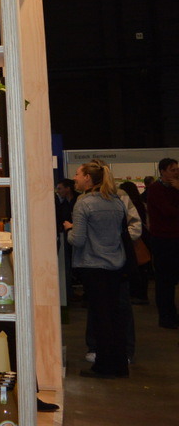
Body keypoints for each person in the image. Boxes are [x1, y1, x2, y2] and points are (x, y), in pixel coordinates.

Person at [64, 159, 132, 378]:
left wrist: (69, 229)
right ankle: (120, 365)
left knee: (100, 319)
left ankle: (103, 366)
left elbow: (78, 240)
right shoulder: (116, 202)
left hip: (93, 267)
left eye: (78, 174)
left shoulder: (83, 203)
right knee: (115, 317)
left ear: (87, 178)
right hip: (116, 266)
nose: (74, 178)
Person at [146, 158, 179, 329]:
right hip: (163, 240)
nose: (176, 172)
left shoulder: (175, 188)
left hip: (175, 238)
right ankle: (166, 317)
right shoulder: (155, 189)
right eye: (173, 170)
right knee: (164, 280)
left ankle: (172, 315)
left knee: (171, 280)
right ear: (162, 171)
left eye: (177, 169)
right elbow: (168, 212)